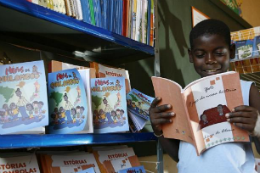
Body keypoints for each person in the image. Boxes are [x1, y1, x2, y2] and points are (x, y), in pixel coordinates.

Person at [149, 19, 260, 173]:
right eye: (200, 54)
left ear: (232, 51)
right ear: (190, 56)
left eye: (219, 53)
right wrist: (159, 130)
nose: (210, 60)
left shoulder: (247, 90)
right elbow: (180, 157)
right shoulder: (184, 98)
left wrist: (258, 127)